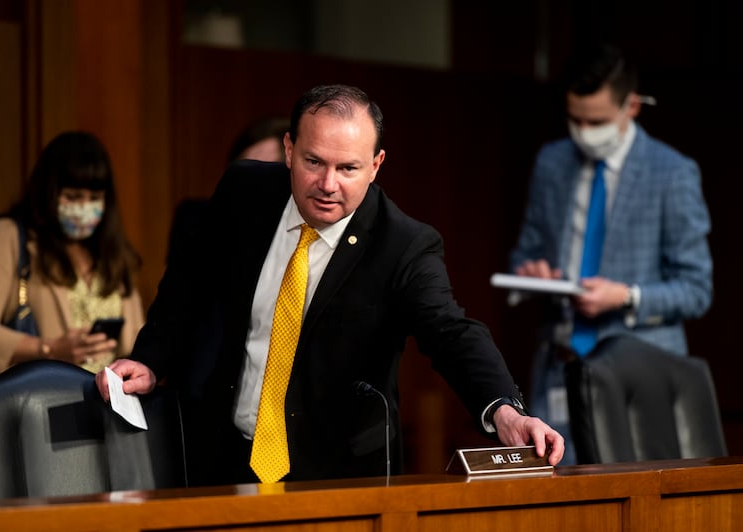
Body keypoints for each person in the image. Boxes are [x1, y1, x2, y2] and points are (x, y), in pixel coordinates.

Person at [97, 84, 564, 486]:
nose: (327, 184)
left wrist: (504, 408)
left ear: (377, 164)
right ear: (287, 149)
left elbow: (451, 332)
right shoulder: (244, 192)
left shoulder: (403, 244)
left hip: (338, 474)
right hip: (224, 456)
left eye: (348, 169)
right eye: (313, 161)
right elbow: (188, 285)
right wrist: (151, 360)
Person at [509, 44, 713, 463]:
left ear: (631, 106)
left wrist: (626, 296)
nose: (584, 131)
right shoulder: (552, 162)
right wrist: (533, 275)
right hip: (560, 366)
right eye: (575, 120)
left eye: (597, 121)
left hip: (638, 374)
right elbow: (525, 250)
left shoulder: (673, 171)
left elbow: (697, 288)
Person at [0, 131, 146, 375]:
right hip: (37, 402)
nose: (84, 208)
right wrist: (49, 350)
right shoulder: (9, 236)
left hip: (104, 405)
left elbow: (137, 341)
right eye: (73, 197)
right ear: (49, 192)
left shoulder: (114, 252)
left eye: (94, 198)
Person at [166, 117, 290, 265]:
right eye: (246, 166)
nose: (252, 178)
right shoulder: (197, 217)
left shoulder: (297, 231)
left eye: (267, 168)